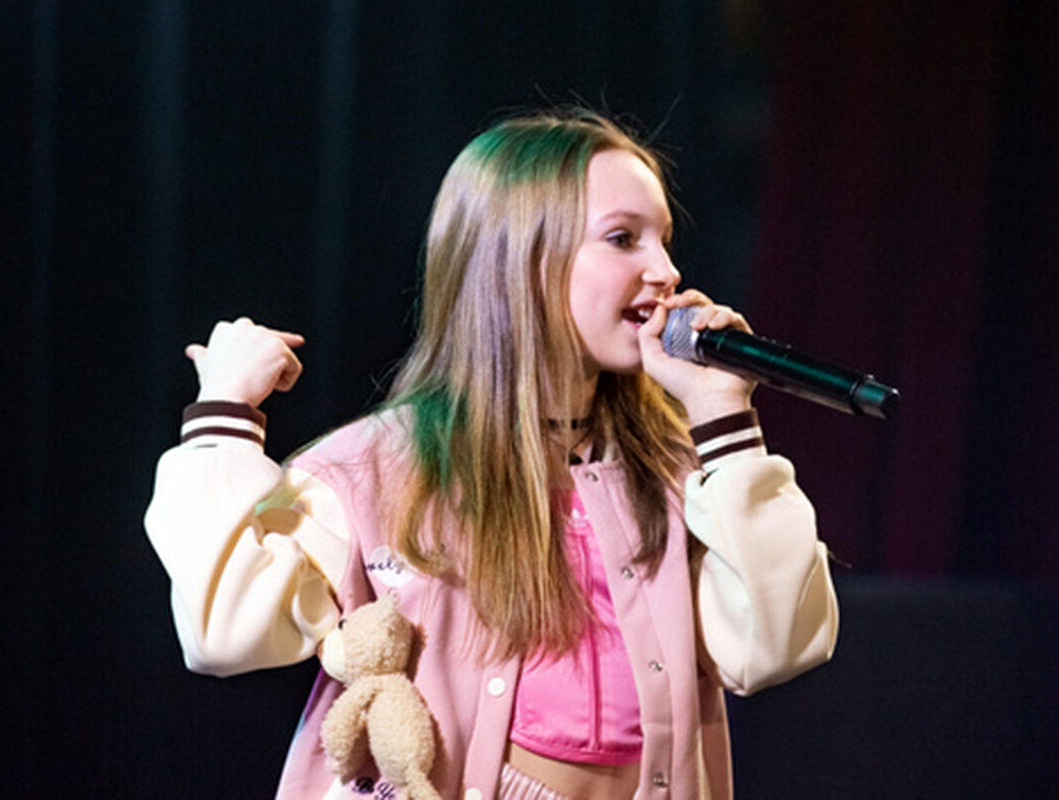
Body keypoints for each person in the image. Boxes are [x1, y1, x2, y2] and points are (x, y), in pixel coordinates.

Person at [145, 108, 839, 800]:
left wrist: (723, 416)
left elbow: (779, 646)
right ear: (523, 261)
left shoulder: (673, 473)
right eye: (623, 238)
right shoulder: (378, 469)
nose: (665, 270)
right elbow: (223, 635)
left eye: (664, 239)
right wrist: (224, 414)